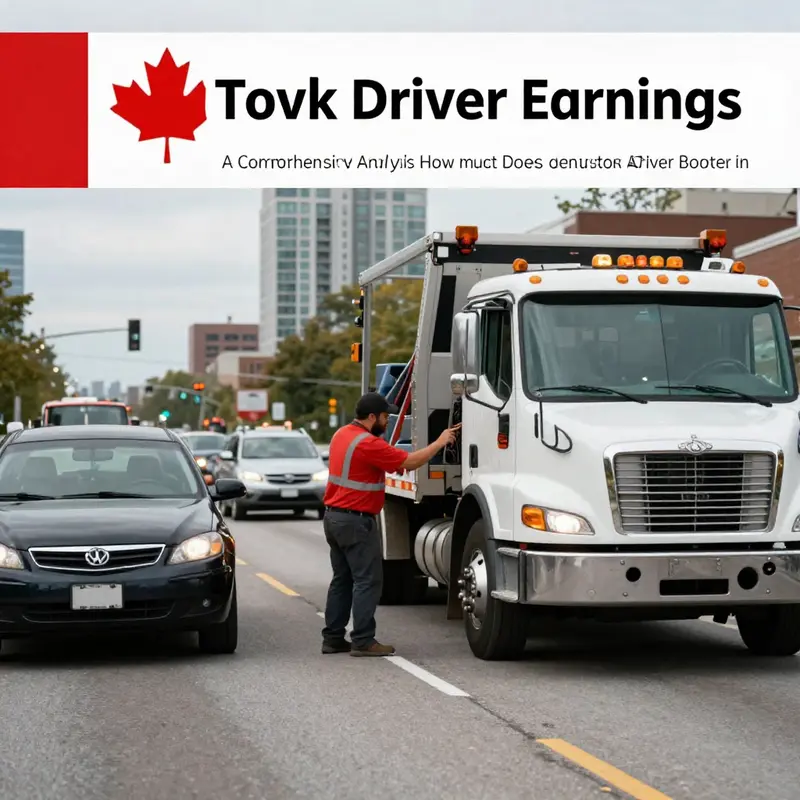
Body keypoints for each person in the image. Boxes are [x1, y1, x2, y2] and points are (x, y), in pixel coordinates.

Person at [321, 392, 460, 657]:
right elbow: (409, 462)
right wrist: (441, 441)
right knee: (367, 581)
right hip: (355, 521)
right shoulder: (368, 444)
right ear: (371, 417)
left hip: (334, 518)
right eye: (385, 417)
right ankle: (362, 640)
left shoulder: (341, 435)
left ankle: (333, 638)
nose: (387, 421)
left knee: (342, 580)